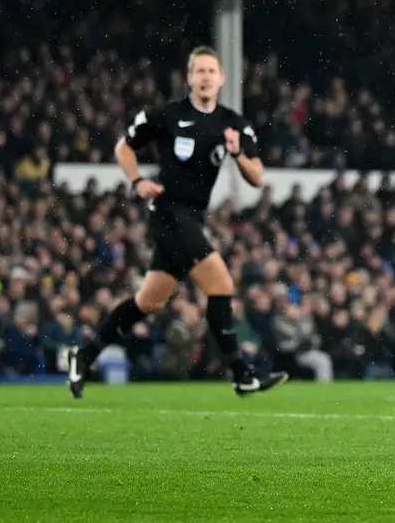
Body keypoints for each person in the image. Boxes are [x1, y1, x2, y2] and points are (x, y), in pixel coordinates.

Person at [65, 46, 287, 398]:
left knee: (149, 302)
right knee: (221, 284)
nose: (205, 77)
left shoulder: (233, 124)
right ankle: (242, 374)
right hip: (169, 213)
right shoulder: (166, 115)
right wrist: (137, 181)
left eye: (211, 71)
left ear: (222, 79)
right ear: (189, 78)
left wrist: (238, 153)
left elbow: (257, 177)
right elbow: (124, 147)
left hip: (193, 218)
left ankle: (84, 354)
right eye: (199, 71)